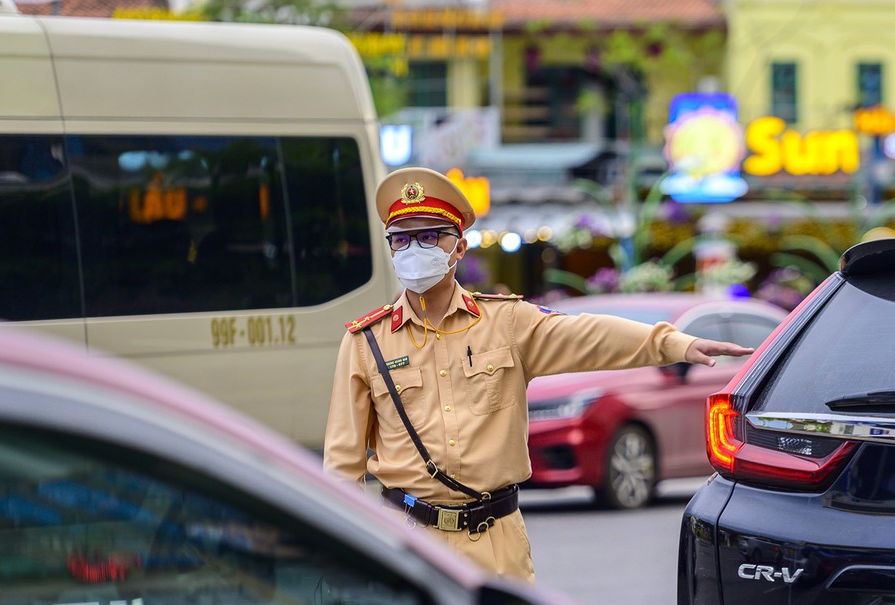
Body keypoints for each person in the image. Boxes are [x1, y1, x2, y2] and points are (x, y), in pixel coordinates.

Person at [323, 166, 754, 583]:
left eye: (429, 236)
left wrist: (675, 342)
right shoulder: (366, 343)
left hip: (494, 539)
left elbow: (588, 334)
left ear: (459, 248)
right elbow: (342, 466)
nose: (415, 249)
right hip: (406, 541)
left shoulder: (507, 322)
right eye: (401, 239)